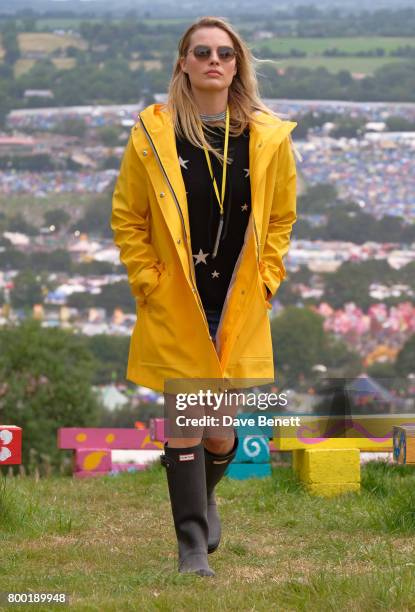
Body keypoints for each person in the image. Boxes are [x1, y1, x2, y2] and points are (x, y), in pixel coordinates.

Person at [111, 16, 299, 578]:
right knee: (185, 420)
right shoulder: (153, 134)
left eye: (224, 52)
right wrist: (147, 279)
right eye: (201, 53)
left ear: (237, 64)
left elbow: (283, 218)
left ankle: (206, 496)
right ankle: (191, 544)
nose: (213, 60)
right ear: (184, 65)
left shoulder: (267, 137)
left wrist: (267, 280)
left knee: (220, 432)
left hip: (237, 301)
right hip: (178, 300)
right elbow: (128, 216)